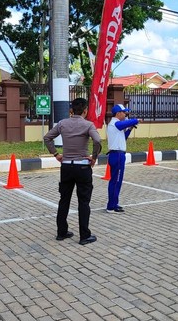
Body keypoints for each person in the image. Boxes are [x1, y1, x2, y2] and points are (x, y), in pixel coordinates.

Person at [44, 98, 102, 245]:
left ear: (71, 110)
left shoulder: (63, 123)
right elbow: (97, 141)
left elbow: (47, 138)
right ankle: (84, 235)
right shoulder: (88, 125)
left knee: (64, 200)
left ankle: (61, 232)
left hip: (66, 167)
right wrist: (94, 157)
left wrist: (56, 154)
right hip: (82, 167)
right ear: (85, 111)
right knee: (84, 202)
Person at [106, 104, 139, 213]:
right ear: (118, 113)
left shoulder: (115, 125)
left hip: (117, 155)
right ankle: (111, 206)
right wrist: (136, 120)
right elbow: (124, 124)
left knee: (116, 181)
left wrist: (129, 129)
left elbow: (122, 138)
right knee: (116, 181)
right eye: (124, 112)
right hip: (117, 155)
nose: (125, 114)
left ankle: (114, 203)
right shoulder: (115, 124)